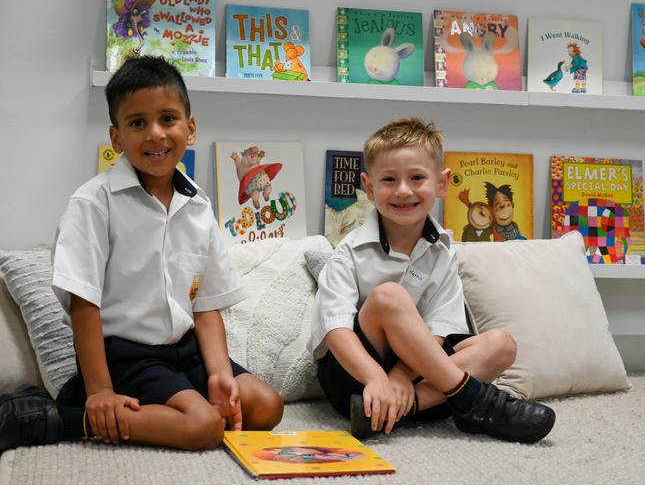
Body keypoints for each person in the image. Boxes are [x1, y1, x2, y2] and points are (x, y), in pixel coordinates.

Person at [0, 56, 283, 453]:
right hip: (128, 356)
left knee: (266, 407)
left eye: (168, 119)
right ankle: (68, 415)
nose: (155, 134)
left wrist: (220, 373)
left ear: (191, 128)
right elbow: (84, 303)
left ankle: (178, 401)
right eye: (137, 123)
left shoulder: (198, 205)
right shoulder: (94, 203)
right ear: (116, 138)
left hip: (187, 351)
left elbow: (206, 305)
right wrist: (100, 391)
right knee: (203, 428)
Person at [309, 117, 555, 443]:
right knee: (388, 297)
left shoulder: (443, 251)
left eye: (416, 178)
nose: (403, 190)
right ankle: (473, 400)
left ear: (441, 183)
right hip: (355, 377)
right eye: (389, 179)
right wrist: (377, 378)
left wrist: (399, 378)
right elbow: (336, 330)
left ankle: (398, 409)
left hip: (416, 375)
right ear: (369, 188)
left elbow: (439, 329)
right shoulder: (349, 252)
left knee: (501, 345)